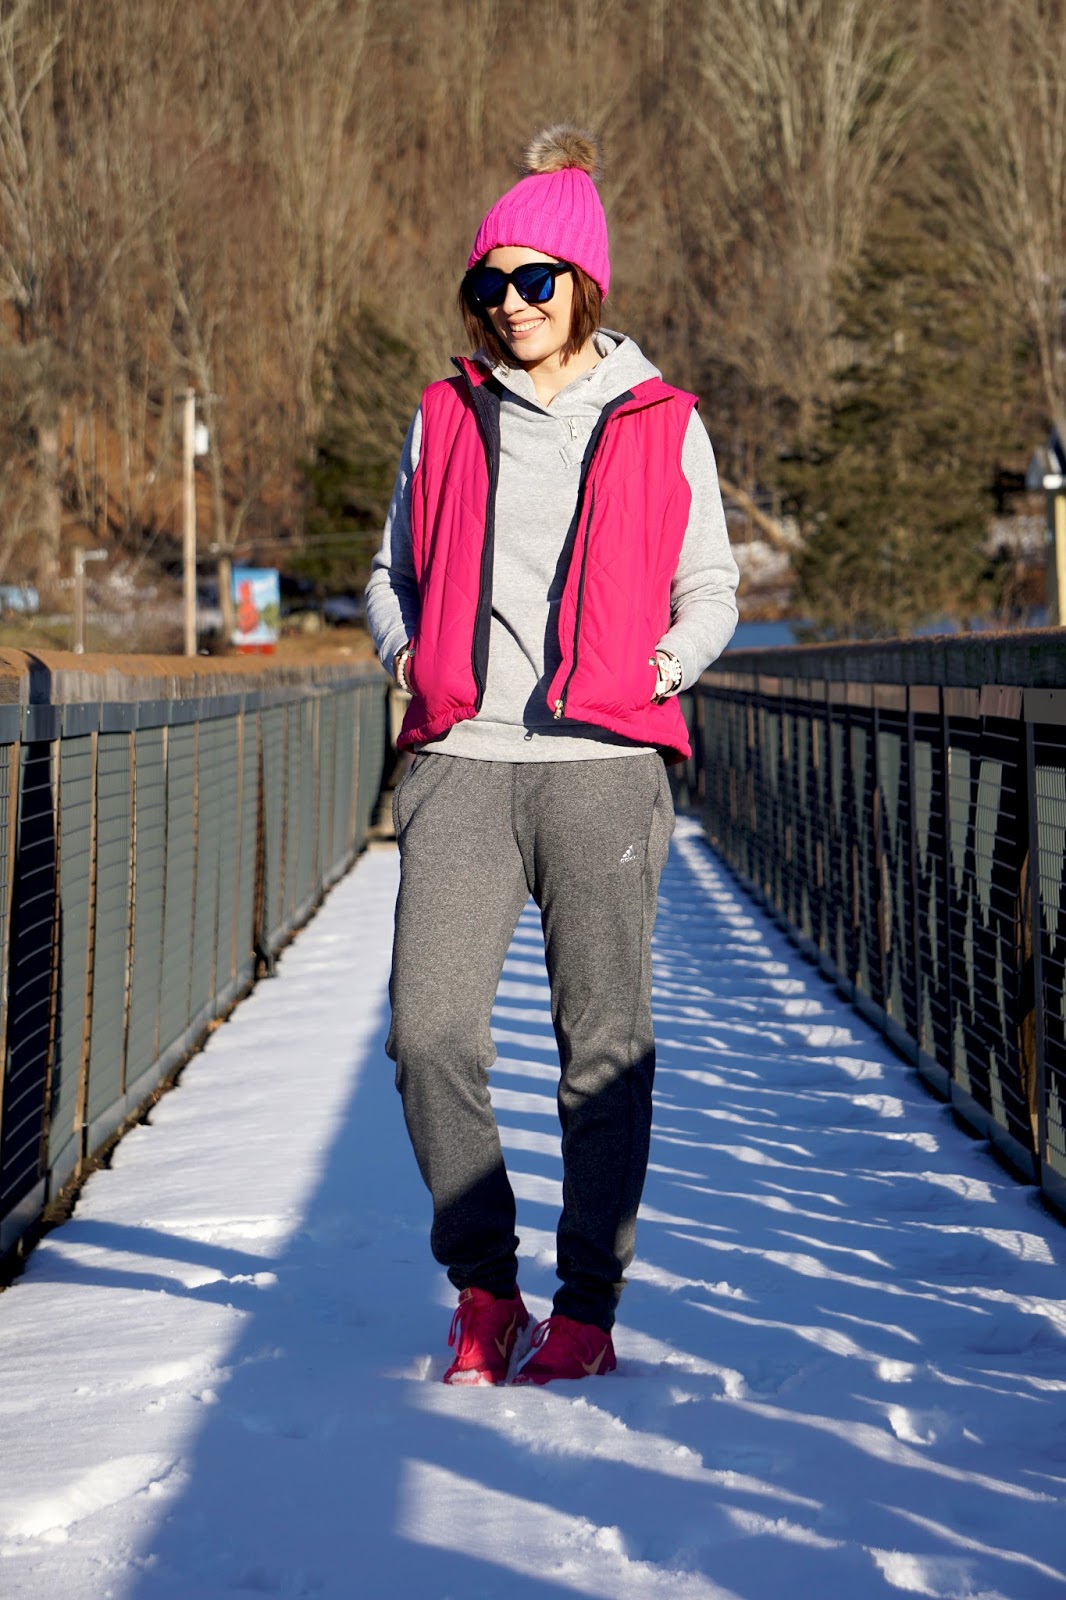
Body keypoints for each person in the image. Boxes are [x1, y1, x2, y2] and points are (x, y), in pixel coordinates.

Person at [365, 125, 738, 1386]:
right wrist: (407, 657)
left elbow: (711, 587)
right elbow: (390, 573)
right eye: (491, 282)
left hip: (601, 769)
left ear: (583, 283)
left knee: (602, 1048)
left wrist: (662, 670)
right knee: (428, 1034)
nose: (511, 303)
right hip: (462, 761)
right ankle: (485, 1287)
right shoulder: (445, 416)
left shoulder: (660, 420)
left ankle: (585, 1304)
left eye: (535, 279)